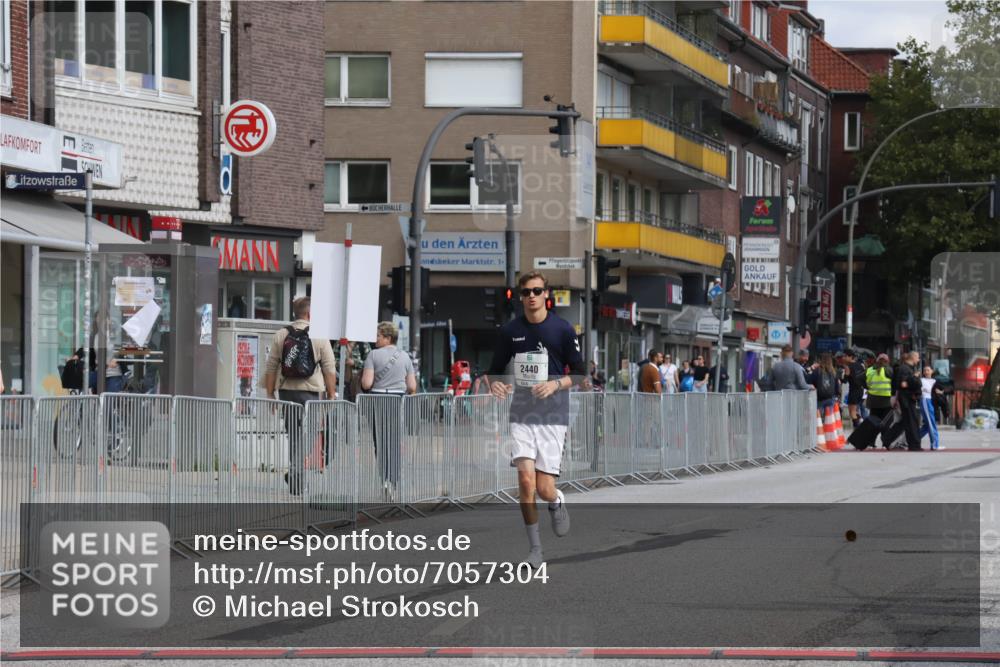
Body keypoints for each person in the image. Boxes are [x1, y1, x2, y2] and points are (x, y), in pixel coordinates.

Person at [487, 272, 585, 569]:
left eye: (537, 290)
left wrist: (555, 385)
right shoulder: (510, 330)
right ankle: (535, 550)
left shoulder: (563, 329)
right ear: (521, 297)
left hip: (553, 415)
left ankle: (555, 502)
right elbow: (494, 370)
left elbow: (580, 373)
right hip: (522, 413)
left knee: (543, 489)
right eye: (526, 291)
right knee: (525, 480)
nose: (531, 295)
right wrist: (497, 384)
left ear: (546, 294)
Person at [264, 296, 337, 495]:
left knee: (294, 436)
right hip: (311, 394)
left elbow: (271, 367)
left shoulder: (281, 334)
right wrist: (331, 394)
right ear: (310, 314)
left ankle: (295, 477)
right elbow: (329, 369)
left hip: (287, 392)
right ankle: (296, 477)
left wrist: (270, 394)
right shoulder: (320, 336)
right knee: (308, 437)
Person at [360, 321, 417, 491]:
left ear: (387, 337)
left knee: (380, 440)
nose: (375, 339)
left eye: (378, 336)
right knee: (394, 440)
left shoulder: (373, 355)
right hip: (397, 400)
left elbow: (366, 383)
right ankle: (394, 479)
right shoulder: (405, 356)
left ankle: (383, 478)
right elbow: (412, 386)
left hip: (377, 401)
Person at [895, 351, 923, 451]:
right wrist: (914, 378)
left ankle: (914, 444)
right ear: (913, 357)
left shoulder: (910, 368)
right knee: (911, 422)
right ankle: (914, 445)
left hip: (910, 398)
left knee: (913, 422)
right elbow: (903, 384)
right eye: (918, 357)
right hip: (907, 399)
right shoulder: (905, 369)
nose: (919, 360)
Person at [865, 354, 894, 436]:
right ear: (887, 361)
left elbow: (863, 381)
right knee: (886, 422)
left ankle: (870, 441)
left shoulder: (870, 370)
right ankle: (885, 441)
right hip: (886, 400)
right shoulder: (889, 370)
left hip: (873, 400)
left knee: (873, 422)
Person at [919, 365, 943, 450]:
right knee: (931, 422)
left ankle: (914, 439)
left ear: (932, 371)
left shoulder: (935, 381)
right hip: (926, 400)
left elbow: (943, 389)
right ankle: (934, 444)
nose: (926, 372)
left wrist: (940, 392)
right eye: (925, 370)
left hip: (932, 402)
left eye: (928, 370)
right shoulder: (921, 380)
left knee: (927, 425)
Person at [842, 349, 868, 427]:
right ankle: (861, 422)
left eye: (845, 356)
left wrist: (844, 375)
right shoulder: (860, 365)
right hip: (863, 391)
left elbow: (845, 381)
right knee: (858, 410)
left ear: (851, 357)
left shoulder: (848, 367)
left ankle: (858, 428)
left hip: (854, 391)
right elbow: (865, 378)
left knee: (852, 412)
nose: (843, 358)